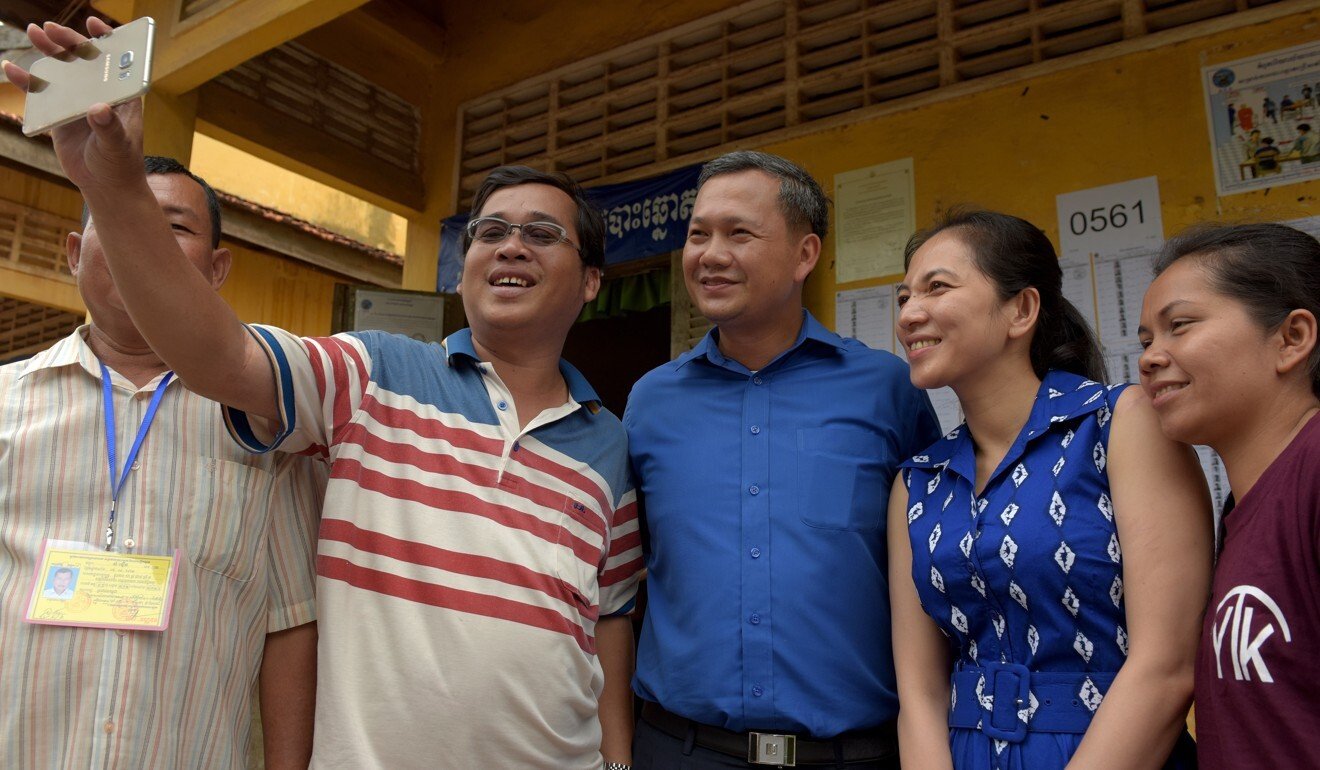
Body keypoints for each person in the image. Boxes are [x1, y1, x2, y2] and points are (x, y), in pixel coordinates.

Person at [5, 18, 643, 768]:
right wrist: (109, 184)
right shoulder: (370, 377)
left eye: (541, 235)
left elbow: (606, 618)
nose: (509, 245)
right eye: (488, 231)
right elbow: (219, 354)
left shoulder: (609, 441)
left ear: (592, 281)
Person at [0, 150, 324, 769]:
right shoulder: (5, 405)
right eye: (117, 218)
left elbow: (291, 624)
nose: (140, 240)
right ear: (74, 252)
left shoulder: (266, 428)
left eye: (172, 226)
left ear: (217, 268)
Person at [625, 150, 940, 769]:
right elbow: (614, 585)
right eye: (698, 235)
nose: (711, 254)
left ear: (805, 255)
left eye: (739, 233)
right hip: (679, 749)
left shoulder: (887, 390)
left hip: (852, 753)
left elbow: (935, 567)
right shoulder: (650, 401)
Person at [889, 210, 1212, 770]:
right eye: (902, 297)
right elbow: (919, 693)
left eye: (936, 287)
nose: (909, 314)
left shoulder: (1118, 423)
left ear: (1021, 309)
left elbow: (1166, 665)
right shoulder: (918, 480)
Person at [1138, 224, 1320, 770]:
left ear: (1291, 339)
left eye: (1180, 326)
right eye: (1147, 340)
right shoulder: (1243, 509)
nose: (1149, 358)